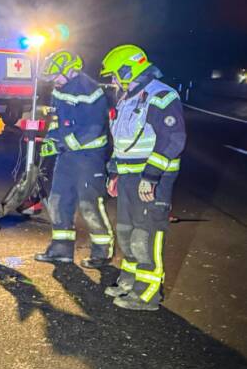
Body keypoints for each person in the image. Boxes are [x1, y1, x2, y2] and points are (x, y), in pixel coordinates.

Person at [100, 44, 186, 311]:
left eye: (114, 75)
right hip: (128, 177)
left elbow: (173, 140)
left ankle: (147, 294)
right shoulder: (127, 98)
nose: (113, 81)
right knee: (127, 232)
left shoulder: (161, 95)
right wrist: (114, 172)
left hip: (151, 180)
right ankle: (129, 281)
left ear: (127, 70)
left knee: (145, 235)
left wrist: (151, 177)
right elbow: (122, 142)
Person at [34, 50, 114, 268]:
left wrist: (65, 143)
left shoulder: (90, 91)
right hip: (66, 156)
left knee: (89, 205)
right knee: (58, 201)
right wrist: (51, 139)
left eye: (56, 76)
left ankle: (101, 252)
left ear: (71, 70)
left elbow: (94, 128)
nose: (54, 81)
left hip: (89, 158)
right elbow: (57, 120)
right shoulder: (60, 89)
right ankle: (61, 249)